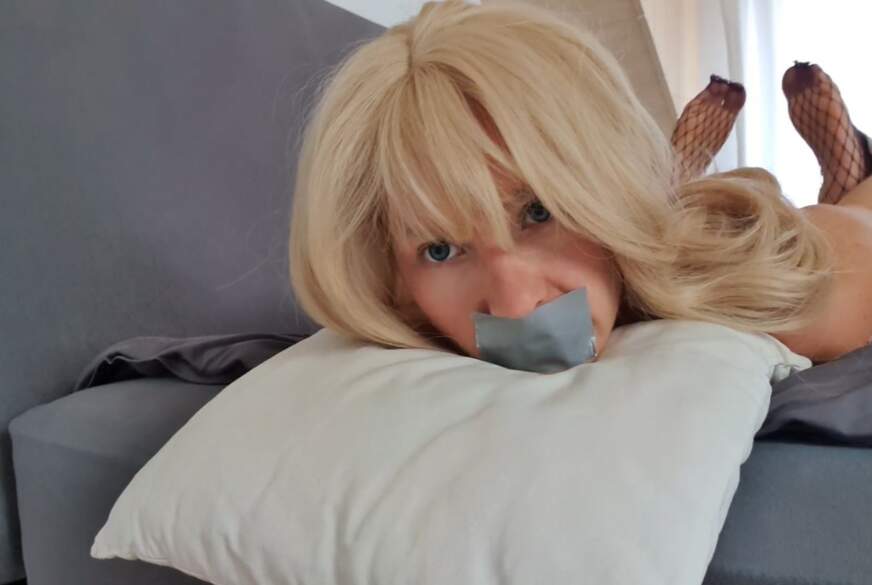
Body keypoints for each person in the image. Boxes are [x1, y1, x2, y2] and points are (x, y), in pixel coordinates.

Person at [289, 0, 872, 366]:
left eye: (538, 212)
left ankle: (844, 175)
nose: (516, 308)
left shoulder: (787, 301)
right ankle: (678, 166)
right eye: (440, 250)